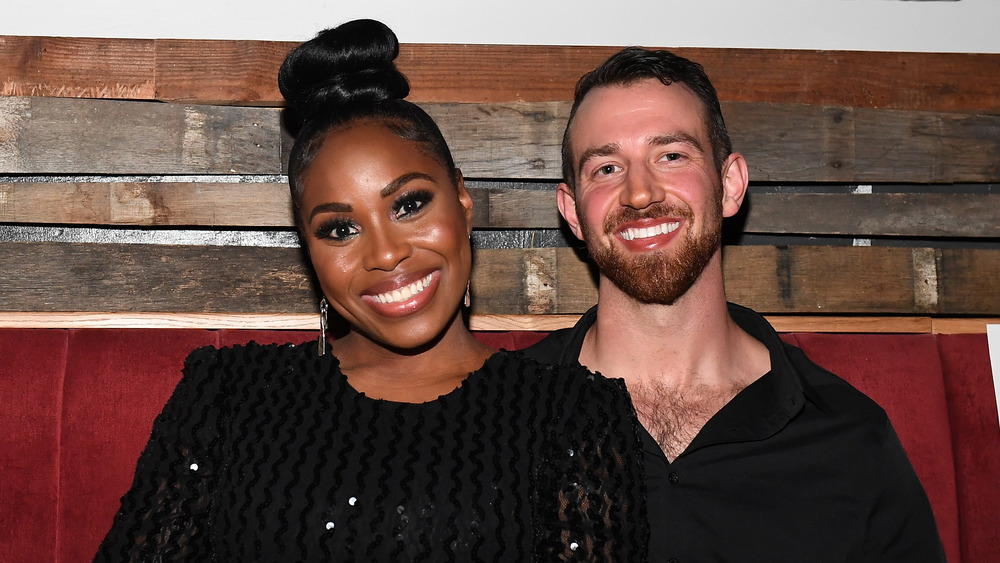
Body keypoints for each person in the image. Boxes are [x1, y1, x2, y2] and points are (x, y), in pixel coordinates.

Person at [94, 20, 648, 562]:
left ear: (462, 200)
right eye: (339, 229)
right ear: (309, 249)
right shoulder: (227, 396)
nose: (385, 254)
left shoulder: (572, 412)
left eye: (409, 205)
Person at [525, 47, 945, 561]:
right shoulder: (497, 423)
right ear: (572, 211)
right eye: (607, 167)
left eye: (671, 156)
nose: (639, 193)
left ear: (729, 185)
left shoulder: (848, 439)